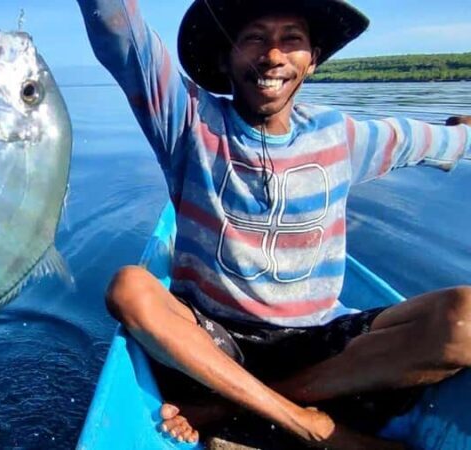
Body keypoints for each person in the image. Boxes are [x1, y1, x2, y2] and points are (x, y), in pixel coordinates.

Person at [76, 0, 471, 447]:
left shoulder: (340, 136)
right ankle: (311, 425)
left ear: (312, 60)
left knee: (465, 319)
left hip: (318, 342)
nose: (273, 56)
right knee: (130, 288)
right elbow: (121, 36)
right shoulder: (190, 122)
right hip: (215, 339)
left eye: (292, 40)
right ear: (226, 58)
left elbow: (423, 141)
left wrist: (463, 131)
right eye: (255, 38)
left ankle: (227, 407)